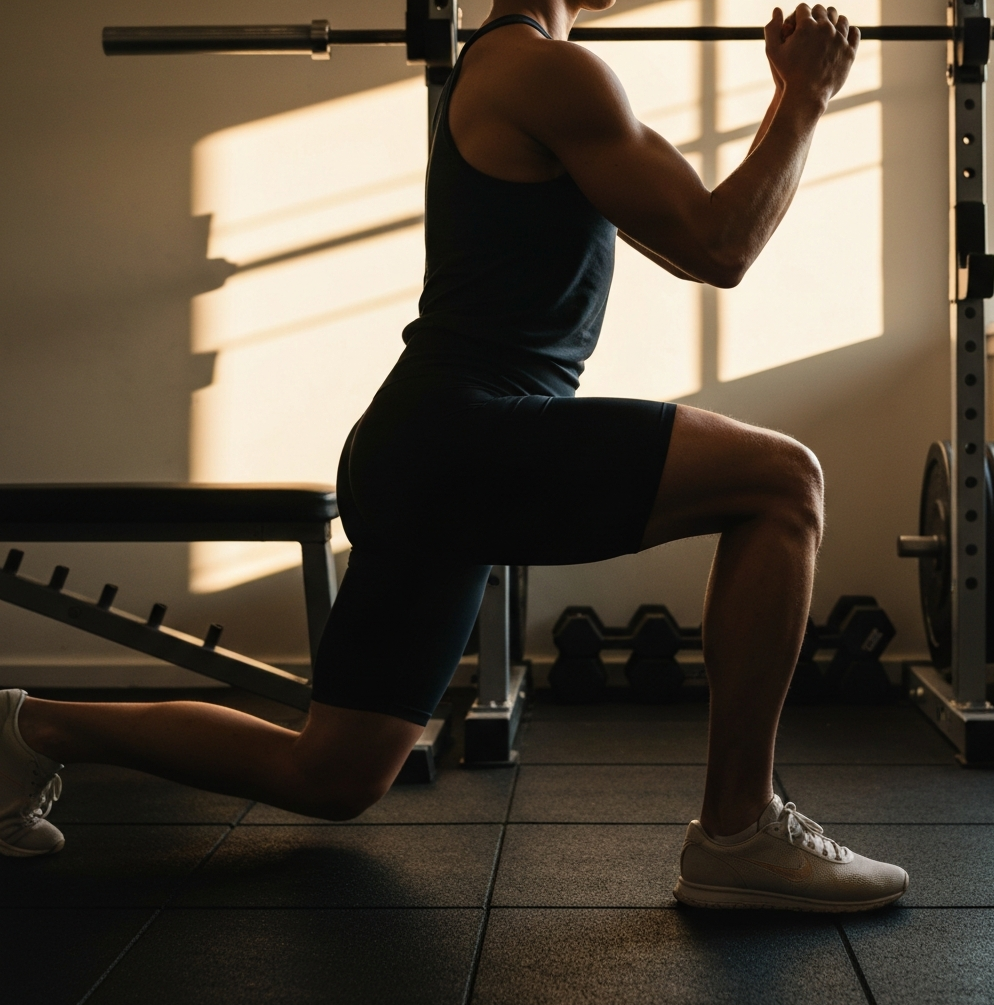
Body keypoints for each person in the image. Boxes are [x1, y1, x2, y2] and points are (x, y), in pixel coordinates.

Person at [0, 1, 907, 911]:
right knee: (784, 483)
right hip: (464, 433)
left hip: (422, 449)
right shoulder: (547, 72)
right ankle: (739, 830)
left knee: (334, 772)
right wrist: (805, 96)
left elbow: (698, 225)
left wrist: (792, 98)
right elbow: (722, 245)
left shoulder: (522, 70)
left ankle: (24, 729)